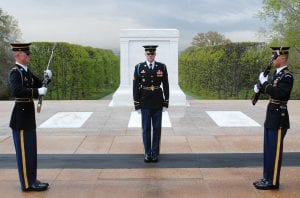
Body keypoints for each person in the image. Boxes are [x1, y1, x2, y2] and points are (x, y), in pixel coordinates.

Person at [8, 43, 52, 192]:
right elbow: (16, 91)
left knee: (31, 151)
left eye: (29, 54)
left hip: (28, 117)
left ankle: (32, 179)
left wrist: (47, 78)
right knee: (24, 153)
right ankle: (27, 184)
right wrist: (36, 91)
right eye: (27, 54)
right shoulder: (16, 72)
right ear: (18, 55)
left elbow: (40, 84)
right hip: (20, 119)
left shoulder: (26, 71)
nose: (29, 56)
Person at [253, 46, 294, 190]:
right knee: (269, 150)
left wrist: (265, 84)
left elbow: (279, 93)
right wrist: (260, 88)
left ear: (282, 58)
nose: (272, 60)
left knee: (274, 152)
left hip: (279, 119)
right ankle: (267, 178)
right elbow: (272, 90)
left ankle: (273, 181)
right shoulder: (277, 75)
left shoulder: (287, 76)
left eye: (274, 57)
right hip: (272, 117)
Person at [133, 45, 169, 163]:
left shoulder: (162, 67)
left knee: (157, 129)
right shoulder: (139, 67)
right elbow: (135, 87)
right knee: (146, 129)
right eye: (148, 54)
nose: (150, 56)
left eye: (152, 54)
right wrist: (137, 103)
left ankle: (154, 153)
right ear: (145, 54)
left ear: (155, 55)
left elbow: (166, 85)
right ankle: (147, 153)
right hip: (145, 102)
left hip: (158, 102)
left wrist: (166, 101)